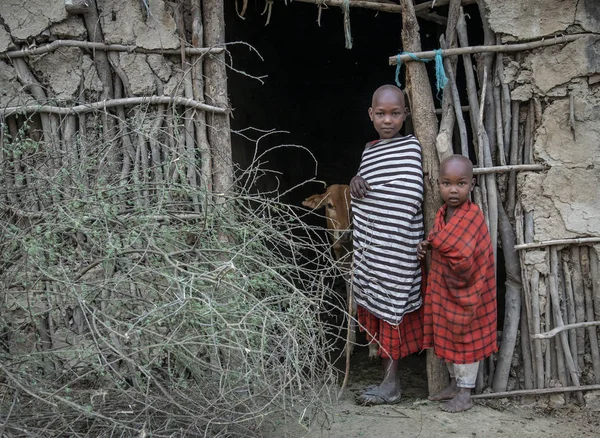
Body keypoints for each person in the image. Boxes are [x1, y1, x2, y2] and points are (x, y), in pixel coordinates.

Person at [350, 84, 424, 406]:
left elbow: (410, 194)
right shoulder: (369, 151)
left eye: (395, 114)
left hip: (400, 249)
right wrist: (355, 182)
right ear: (370, 115)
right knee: (381, 312)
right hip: (374, 249)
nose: (388, 120)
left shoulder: (412, 148)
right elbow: (365, 190)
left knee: (393, 312)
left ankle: (391, 385)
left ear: (406, 114)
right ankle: (387, 382)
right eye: (381, 114)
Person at [417, 154, 497, 413]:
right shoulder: (442, 214)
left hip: (470, 292)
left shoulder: (472, 216)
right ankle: (454, 384)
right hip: (444, 290)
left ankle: (465, 393)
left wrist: (436, 244)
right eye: (446, 183)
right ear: (437, 184)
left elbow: (464, 257)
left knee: (465, 338)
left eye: (460, 184)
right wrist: (426, 246)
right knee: (447, 335)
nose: (453, 189)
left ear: (471, 185)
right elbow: (440, 242)